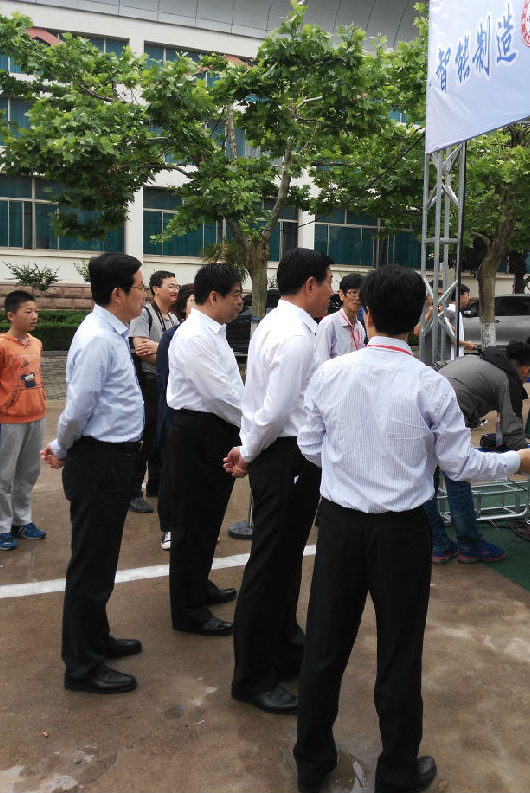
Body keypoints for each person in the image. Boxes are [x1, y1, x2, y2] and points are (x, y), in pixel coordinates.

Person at [292, 264, 530, 793]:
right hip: (401, 534)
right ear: (418, 321)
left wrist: (350, 469)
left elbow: (309, 445)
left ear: (366, 313)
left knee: (323, 648)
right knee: (399, 652)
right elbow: (459, 465)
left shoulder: (329, 374)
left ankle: (312, 764)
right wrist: (516, 460)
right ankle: (396, 772)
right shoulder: (429, 385)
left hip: (340, 527)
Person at [224, 248, 334, 715]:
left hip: (282, 453)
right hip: (285, 455)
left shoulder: (280, 323)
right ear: (309, 285)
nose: (331, 291)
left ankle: (285, 648)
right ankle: (252, 677)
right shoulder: (294, 336)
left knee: (285, 563)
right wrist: (248, 452)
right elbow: (276, 409)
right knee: (269, 567)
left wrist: (250, 447)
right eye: (328, 282)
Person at [41, 252, 146, 694]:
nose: (144, 294)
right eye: (140, 286)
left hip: (114, 460)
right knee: (90, 565)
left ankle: (96, 638)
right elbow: (78, 407)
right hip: (100, 461)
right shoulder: (98, 339)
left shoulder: (113, 331)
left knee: (101, 560)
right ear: (118, 293)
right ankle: (82, 666)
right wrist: (62, 447)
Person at [167, 264, 244, 635]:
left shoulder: (214, 330)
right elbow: (220, 395)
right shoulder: (195, 335)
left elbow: (229, 387)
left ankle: (198, 584)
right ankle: (188, 611)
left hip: (214, 430)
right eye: (236, 294)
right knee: (193, 523)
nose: (241, 301)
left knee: (208, 520)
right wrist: (256, 425)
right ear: (214, 297)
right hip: (198, 433)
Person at [425, 340, 530, 564]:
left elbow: (436, 367)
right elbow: (513, 431)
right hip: (448, 417)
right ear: (526, 369)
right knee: (458, 478)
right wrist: (528, 457)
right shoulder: (508, 380)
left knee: (427, 484)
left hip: (422, 411)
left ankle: (437, 544)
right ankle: (469, 545)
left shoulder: (474, 358)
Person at [128, 269, 180, 514]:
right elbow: (141, 349)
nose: (176, 290)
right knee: (146, 437)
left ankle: (156, 485)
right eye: (170, 286)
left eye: (177, 286)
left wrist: (159, 349)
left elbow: (174, 352)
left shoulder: (174, 319)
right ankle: (133, 492)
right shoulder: (144, 314)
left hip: (167, 382)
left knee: (162, 436)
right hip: (149, 382)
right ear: (155, 289)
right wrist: (169, 354)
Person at [0, 290, 47, 551]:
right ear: (11, 315)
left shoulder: (36, 343)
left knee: (28, 472)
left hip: (36, 417)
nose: (34, 316)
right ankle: (1, 527)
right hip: (8, 421)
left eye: (36, 311)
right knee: (4, 475)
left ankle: (22, 520)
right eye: (28, 312)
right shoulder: (1, 345)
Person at [154, 283, 195, 550]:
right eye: (192, 301)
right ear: (182, 307)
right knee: (172, 474)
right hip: (174, 417)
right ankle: (169, 527)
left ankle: (192, 525)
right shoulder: (172, 336)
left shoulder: (214, 335)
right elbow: (164, 379)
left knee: (193, 477)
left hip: (197, 422)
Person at [315, 272, 364, 362]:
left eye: (361, 294)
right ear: (341, 294)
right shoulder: (329, 324)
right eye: (353, 292)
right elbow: (321, 362)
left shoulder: (360, 327)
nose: (358, 298)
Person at [445, 283, 477, 357]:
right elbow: (450, 338)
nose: (469, 298)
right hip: (452, 357)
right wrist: (467, 344)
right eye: (467, 295)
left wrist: (465, 344)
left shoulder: (454, 311)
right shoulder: (452, 311)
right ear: (460, 296)